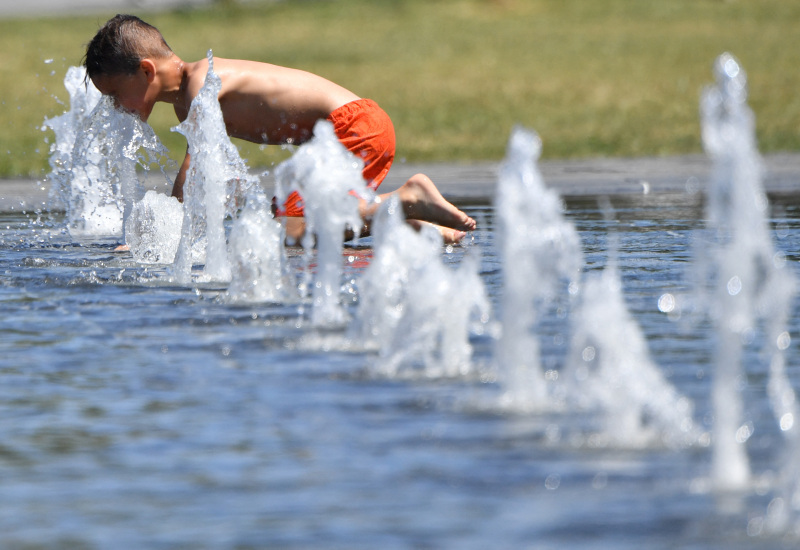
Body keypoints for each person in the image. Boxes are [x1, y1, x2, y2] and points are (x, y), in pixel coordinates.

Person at [83, 14, 476, 244]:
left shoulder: (199, 85)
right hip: (343, 132)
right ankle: (414, 225)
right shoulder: (189, 95)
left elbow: (196, 168)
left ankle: (410, 197)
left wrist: (168, 234)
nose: (115, 107)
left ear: (146, 71)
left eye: (116, 93)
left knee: (293, 230)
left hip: (355, 125)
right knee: (279, 228)